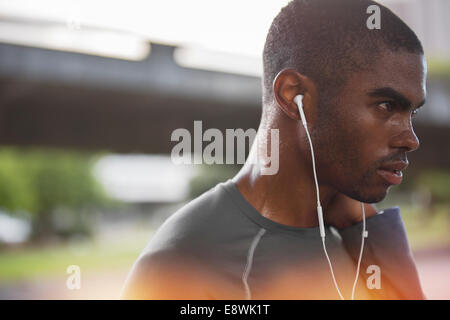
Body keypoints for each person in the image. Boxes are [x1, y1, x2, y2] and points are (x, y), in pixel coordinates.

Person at [121, 0, 426, 299]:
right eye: (386, 106)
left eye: (411, 113)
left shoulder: (364, 239)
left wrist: (374, 233)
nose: (411, 139)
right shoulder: (181, 266)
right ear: (294, 95)